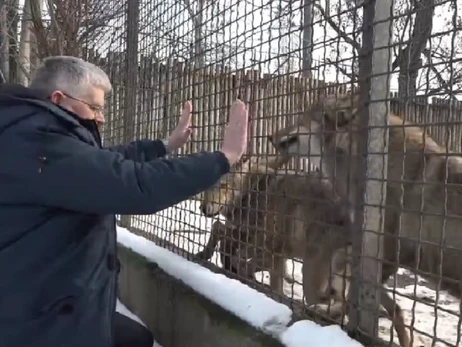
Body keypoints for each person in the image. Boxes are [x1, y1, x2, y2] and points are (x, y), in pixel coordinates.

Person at [0, 55, 248, 347]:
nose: (101, 117)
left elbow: (103, 165)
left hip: (46, 300)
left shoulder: (31, 134)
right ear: (58, 99)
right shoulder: (39, 143)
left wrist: (165, 146)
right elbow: (135, 183)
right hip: (41, 321)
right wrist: (223, 158)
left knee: (136, 339)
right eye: (94, 107)